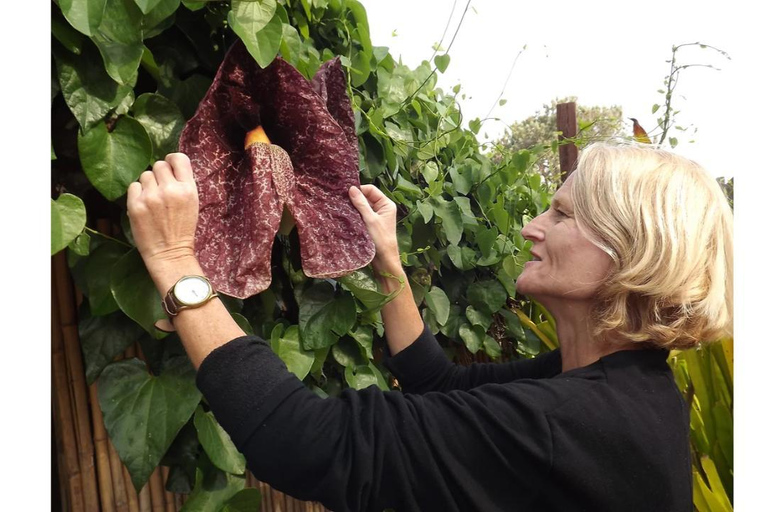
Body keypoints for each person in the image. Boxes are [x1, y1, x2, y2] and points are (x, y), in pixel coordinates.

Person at [126, 142, 732, 511]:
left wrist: (178, 261)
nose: (531, 228)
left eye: (561, 214)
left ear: (630, 251)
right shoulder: (623, 384)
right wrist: (388, 260)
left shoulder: (570, 422)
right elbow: (434, 383)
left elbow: (302, 442)